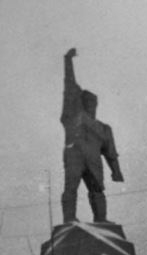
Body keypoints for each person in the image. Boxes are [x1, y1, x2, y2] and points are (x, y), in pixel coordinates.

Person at [61, 48, 124, 223]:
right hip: (75, 156)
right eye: (87, 102)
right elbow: (69, 86)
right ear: (81, 102)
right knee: (71, 187)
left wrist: (116, 172)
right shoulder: (74, 115)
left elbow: (111, 153)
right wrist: (68, 60)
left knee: (97, 190)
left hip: (94, 162)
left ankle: (101, 219)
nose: (91, 105)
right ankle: (69, 219)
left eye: (93, 103)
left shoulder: (104, 128)